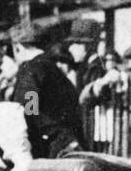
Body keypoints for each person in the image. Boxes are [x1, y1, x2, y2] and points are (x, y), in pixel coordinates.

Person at [8, 19, 84, 158]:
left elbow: (28, 110)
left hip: (51, 148)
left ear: (18, 47)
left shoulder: (31, 70)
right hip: (69, 142)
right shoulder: (54, 68)